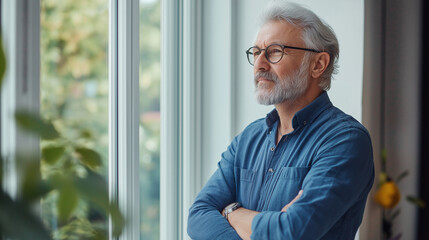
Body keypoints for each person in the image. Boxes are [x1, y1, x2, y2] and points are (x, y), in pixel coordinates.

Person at [187, 1, 374, 240]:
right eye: (255, 52)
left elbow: (291, 233)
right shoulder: (248, 138)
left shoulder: (346, 141)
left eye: (274, 51)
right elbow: (198, 215)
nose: (259, 64)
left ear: (318, 64)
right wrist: (268, 226)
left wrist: (230, 212)